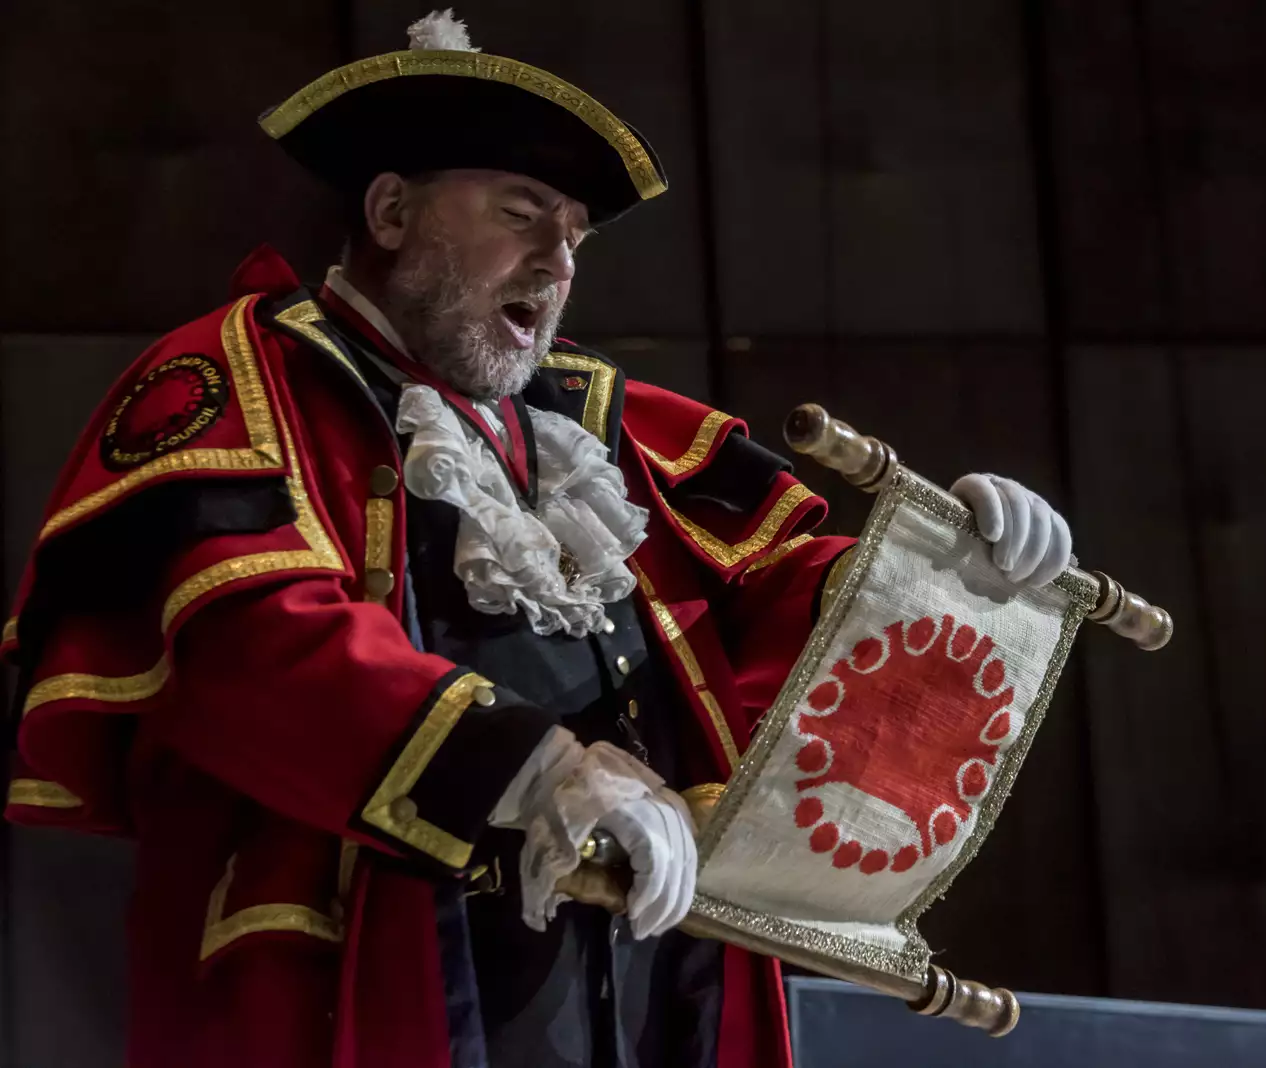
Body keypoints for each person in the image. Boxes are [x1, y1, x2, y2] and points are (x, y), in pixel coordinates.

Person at [2, 11, 1073, 1068]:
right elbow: (243, 643)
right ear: (389, 213)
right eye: (522, 215)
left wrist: (946, 564)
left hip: (644, 964)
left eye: (573, 236)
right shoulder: (240, 376)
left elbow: (774, 594)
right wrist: (537, 766)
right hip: (377, 962)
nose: (557, 261)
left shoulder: (591, 424)